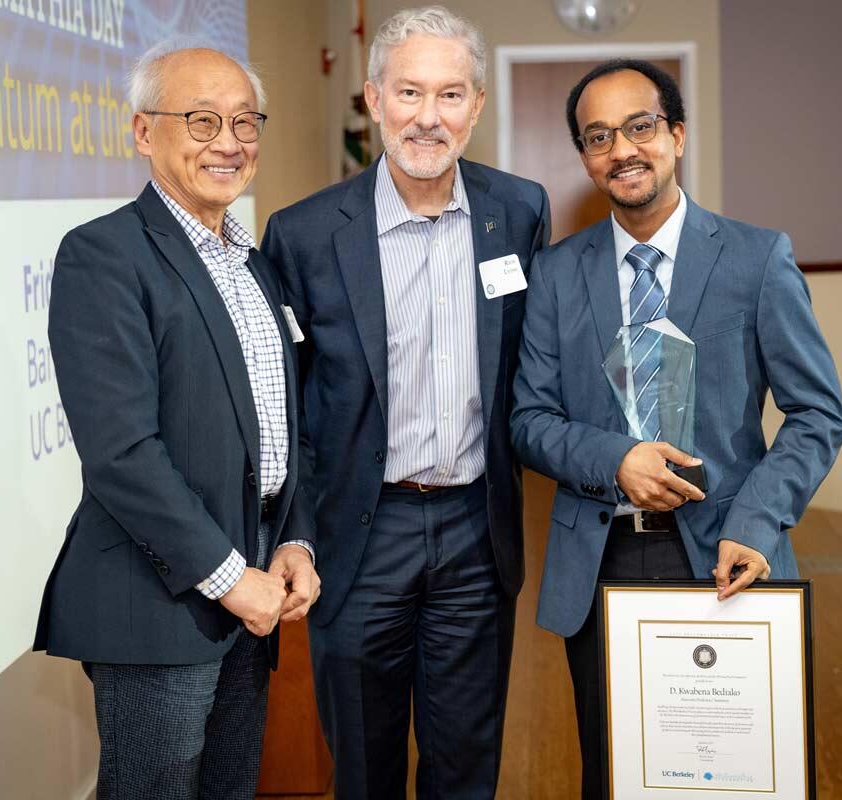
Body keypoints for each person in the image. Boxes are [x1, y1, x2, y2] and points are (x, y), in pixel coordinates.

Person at [510, 59, 842, 799]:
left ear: (677, 135)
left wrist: (757, 523)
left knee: (734, 780)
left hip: (729, 558)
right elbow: (528, 421)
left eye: (640, 126)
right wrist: (616, 458)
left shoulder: (757, 259)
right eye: (599, 137)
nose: (622, 149)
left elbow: (819, 412)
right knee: (615, 776)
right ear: (584, 157)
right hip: (600, 567)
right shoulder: (558, 275)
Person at [260, 6, 549, 798]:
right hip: (361, 531)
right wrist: (298, 536)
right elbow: (286, 407)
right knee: (364, 763)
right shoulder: (306, 233)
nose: (429, 117)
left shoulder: (518, 213)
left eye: (451, 95)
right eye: (410, 92)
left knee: (465, 764)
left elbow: (534, 369)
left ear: (477, 106)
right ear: (374, 98)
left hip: (474, 534)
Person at [33, 40, 320, 800]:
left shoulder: (251, 262)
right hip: (158, 607)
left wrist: (291, 539)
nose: (229, 142)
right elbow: (122, 454)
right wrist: (234, 582)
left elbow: (277, 424)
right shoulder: (104, 256)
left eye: (244, 121)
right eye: (200, 121)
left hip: (250, 591)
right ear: (142, 132)